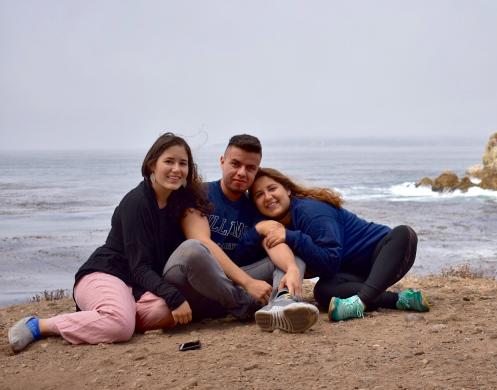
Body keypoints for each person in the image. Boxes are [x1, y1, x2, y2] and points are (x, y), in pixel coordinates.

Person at [8, 132, 212, 353]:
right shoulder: (137, 202)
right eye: (169, 161)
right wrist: (174, 296)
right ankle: (39, 325)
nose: (176, 169)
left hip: (134, 286)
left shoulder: (177, 203)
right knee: (122, 327)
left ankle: (110, 316)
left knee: (164, 312)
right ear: (152, 164)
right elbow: (140, 267)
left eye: (183, 163)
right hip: (104, 274)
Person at [175, 134, 319, 333]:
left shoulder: (254, 207)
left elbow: (274, 240)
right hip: (191, 282)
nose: (242, 172)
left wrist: (292, 268)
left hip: (228, 286)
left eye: (250, 168)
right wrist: (248, 282)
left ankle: (283, 304)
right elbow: (201, 242)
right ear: (222, 161)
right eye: (235, 164)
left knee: (291, 252)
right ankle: (249, 306)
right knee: (194, 249)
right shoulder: (199, 193)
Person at [248, 167, 430, 322]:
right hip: (354, 273)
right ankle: (402, 299)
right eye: (259, 195)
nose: (268, 197)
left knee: (403, 233)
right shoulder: (272, 226)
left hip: (383, 255)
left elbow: (330, 260)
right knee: (323, 292)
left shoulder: (311, 211)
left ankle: (359, 303)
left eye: (272, 188)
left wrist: (291, 236)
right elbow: (243, 252)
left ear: (287, 189)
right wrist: (258, 230)